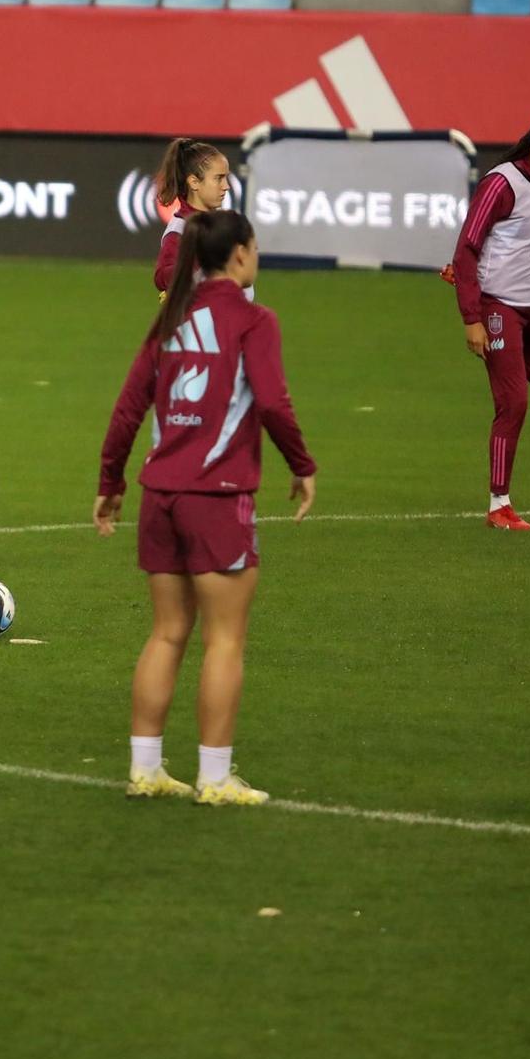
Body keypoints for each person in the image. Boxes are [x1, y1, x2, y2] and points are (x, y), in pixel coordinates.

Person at [96, 211, 317, 805]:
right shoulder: (252, 319)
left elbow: (127, 407)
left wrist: (110, 481)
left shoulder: (171, 317)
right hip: (217, 499)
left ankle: (145, 769)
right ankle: (214, 778)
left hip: (158, 495)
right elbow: (271, 401)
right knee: (224, 641)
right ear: (241, 255)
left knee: (167, 633)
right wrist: (302, 465)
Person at [444, 116, 530, 531]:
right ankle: (499, 504)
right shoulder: (500, 186)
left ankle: (509, 364)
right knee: (514, 403)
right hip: (499, 306)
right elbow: (467, 248)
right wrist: (472, 316)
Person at [150, 138, 233, 295]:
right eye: (219, 178)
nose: (226, 186)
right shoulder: (181, 229)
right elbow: (161, 277)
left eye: (226, 178)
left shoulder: (221, 224)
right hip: (205, 318)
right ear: (194, 182)